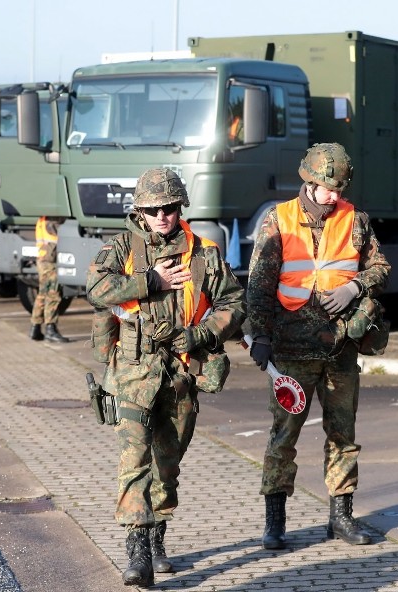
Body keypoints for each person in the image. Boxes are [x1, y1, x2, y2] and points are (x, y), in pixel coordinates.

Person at [86, 168, 246, 588]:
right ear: (139, 210)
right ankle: (137, 550)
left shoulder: (202, 253)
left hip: (180, 373)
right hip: (134, 372)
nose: (162, 216)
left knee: (167, 463)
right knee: (133, 460)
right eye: (154, 209)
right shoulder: (121, 246)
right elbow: (97, 288)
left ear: (180, 208)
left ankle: (157, 536)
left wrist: (203, 334)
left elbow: (234, 301)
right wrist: (150, 281)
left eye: (170, 208)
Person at [246, 142, 390, 550]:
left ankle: (341, 519)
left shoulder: (356, 220)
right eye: (328, 187)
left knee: (343, 436)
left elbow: (380, 268)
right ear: (307, 180)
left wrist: (354, 286)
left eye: (339, 187)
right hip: (291, 353)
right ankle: (275, 524)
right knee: (282, 439)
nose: (334, 195)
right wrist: (259, 336)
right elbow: (258, 286)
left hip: (339, 350)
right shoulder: (279, 220)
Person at [28, 216, 68, 343]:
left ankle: (35, 327)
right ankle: (50, 329)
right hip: (50, 262)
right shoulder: (51, 220)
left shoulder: (41, 219)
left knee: (42, 294)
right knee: (53, 294)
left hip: (43, 260)